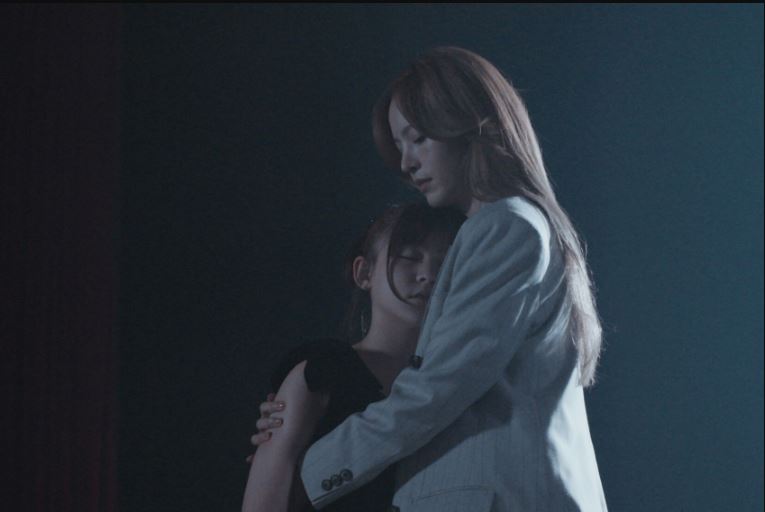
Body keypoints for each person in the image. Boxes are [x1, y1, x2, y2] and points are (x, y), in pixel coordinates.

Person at [253, 46, 608, 511]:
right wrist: (299, 423)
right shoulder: (511, 226)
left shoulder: (505, 226)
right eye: (400, 147)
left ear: (469, 126)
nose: (406, 164)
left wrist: (305, 467)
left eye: (417, 138)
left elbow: (439, 387)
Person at [241, 202, 465, 512]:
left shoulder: (456, 379)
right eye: (410, 257)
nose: (428, 275)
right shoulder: (324, 372)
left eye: (444, 263)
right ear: (364, 273)